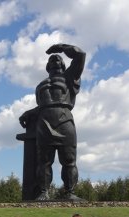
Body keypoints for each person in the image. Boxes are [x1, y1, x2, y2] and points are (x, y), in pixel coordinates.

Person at [19, 44, 86, 200]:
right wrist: (30, 112)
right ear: (47, 66)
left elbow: (80, 54)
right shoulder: (41, 85)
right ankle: (43, 192)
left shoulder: (70, 78)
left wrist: (61, 48)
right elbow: (43, 105)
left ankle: (70, 192)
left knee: (69, 160)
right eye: (52, 59)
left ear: (64, 65)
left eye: (59, 59)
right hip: (44, 121)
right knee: (44, 160)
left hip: (64, 120)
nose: (56, 59)